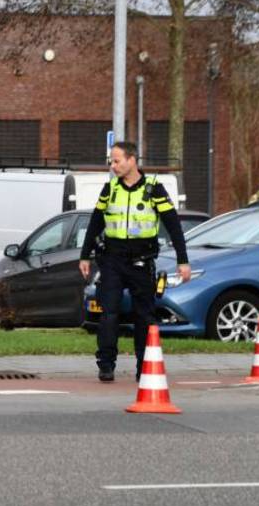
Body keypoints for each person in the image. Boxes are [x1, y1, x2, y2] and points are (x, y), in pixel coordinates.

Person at [78, 142, 190, 383]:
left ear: (132, 160)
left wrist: (183, 260)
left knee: (144, 316)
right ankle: (106, 365)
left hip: (142, 260)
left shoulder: (154, 189)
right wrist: (85, 255)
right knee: (109, 313)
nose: (113, 165)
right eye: (111, 161)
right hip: (112, 260)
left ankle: (144, 365)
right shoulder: (110, 189)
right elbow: (96, 223)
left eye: (117, 160)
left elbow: (173, 225)